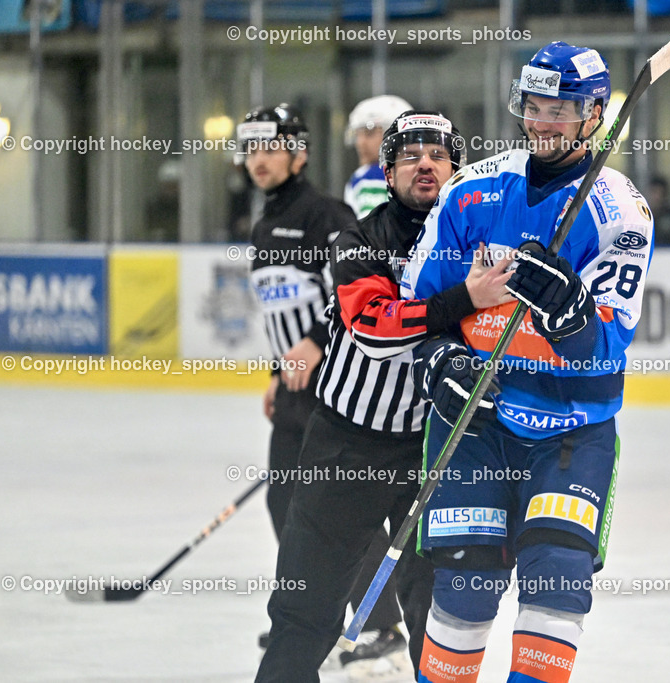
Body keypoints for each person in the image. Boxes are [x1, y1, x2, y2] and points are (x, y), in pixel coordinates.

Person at [400, 41, 653, 683]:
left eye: (560, 109)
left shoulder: (621, 212)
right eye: (534, 105)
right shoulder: (472, 191)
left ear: (594, 115)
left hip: (571, 427)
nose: (542, 121)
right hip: (476, 428)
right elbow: (420, 304)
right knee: (465, 586)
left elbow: (606, 347)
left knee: (557, 583)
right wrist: (439, 361)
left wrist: (570, 316)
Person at [255, 110, 514, 682]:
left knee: (440, 619)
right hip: (348, 448)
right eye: (409, 156)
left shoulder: (484, 242)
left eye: (439, 155)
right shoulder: (359, 238)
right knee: (306, 613)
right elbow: (374, 329)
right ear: (388, 172)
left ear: (457, 169)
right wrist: (464, 299)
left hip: (435, 450)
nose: (425, 164)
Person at [239, 104, 403, 669]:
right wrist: (275, 371)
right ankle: (309, 620)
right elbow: (279, 306)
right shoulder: (264, 222)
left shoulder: (324, 213)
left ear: (299, 153)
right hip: (293, 383)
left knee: (338, 508)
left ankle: (380, 625)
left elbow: (352, 290)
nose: (258, 159)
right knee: (286, 499)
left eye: (271, 146)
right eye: (251, 148)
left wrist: (312, 340)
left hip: (334, 380)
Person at [344, 94, 413, 218]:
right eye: (358, 135)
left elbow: (370, 232)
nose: (360, 142)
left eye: (369, 133)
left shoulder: (370, 176)